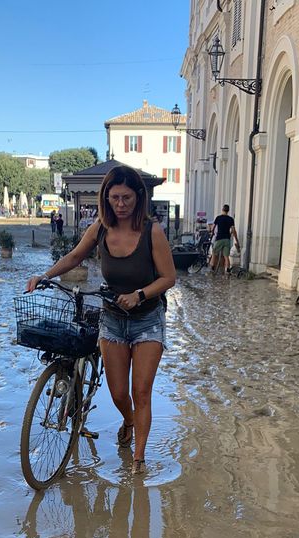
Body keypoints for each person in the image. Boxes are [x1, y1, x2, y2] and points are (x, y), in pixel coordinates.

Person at [26, 164, 176, 475]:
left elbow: (169, 278)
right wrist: (44, 275)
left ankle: (138, 461)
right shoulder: (100, 229)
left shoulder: (153, 232)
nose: (120, 205)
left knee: (141, 392)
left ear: (139, 198)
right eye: (114, 198)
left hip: (147, 319)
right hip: (112, 319)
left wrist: (140, 294)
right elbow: (74, 257)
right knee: (119, 393)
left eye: (126, 198)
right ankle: (130, 419)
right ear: (105, 198)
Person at [209, 204, 240, 274]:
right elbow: (233, 230)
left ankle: (212, 268)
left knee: (214, 253)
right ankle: (228, 270)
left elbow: (213, 228)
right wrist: (236, 240)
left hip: (219, 238)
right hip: (227, 239)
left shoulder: (218, 218)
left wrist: (212, 233)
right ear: (228, 211)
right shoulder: (231, 219)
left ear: (222, 210)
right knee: (226, 256)